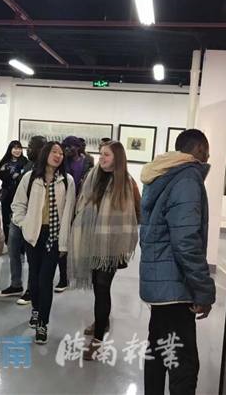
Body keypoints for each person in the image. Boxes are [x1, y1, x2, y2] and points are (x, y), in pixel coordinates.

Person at [139, 129, 216, 395]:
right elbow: (185, 240)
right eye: (207, 151)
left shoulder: (163, 173)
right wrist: (203, 290)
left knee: (159, 352)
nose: (208, 157)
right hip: (175, 286)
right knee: (183, 365)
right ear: (200, 148)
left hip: (160, 282)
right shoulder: (187, 177)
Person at [67, 141, 140, 360]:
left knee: (102, 285)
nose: (102, 158)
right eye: (101, 154)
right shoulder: (94, 177)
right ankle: (102, 321)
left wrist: (119, 230)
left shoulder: (127, 183)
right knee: (97, 286)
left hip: (112, 245)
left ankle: (98, 341)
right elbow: (83, 202)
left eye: (106, 154)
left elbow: (137, 211)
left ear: (117, 157)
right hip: (91, 240)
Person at [11, 142, 76, 344]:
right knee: (34, 276)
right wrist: (24, 224)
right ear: (45, 154)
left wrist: (64, 243)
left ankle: (42, 323)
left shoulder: (67, 181)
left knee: (45, 280)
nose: (58, 155)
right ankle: (36, 310)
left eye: (61, 153)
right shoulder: (30, 178)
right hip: (33, 234)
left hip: (54, 235)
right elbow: (18, 205)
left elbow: (68, 214)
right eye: (54, 152)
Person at [0, 135, 46, 304]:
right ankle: (16, 284)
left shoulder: (45, 170)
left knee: (33, 256)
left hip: (34, 218)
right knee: (13, 249)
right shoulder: (27, 165)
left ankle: (32, 290)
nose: (27, 149)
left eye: (31, 146)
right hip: (18, 215)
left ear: (40, 149)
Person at [56, 136, 93, 293]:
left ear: (77, 147)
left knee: (79, 242)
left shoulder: (87, 163)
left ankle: (81, 274)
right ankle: (63, 278)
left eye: (70, 146)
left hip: (82, 206)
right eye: (65, 147)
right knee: (63, 241)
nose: (67, 149)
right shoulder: (62, 163)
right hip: (64, 204)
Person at [0, 140, 28, 244]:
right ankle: (7, 240)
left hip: (19, 193)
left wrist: (18, 176)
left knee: (18, 217)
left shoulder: (24, 161)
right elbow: (2, 177)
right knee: (6, 218)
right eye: (15, 148)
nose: (17, 150)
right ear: (10, 149)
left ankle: (19, 243)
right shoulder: (4, 161)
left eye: (19, 148)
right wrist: (8, 174)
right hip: (7, 194)